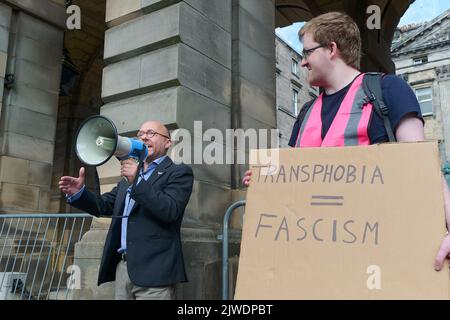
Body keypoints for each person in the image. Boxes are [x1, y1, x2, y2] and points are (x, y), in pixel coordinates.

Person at [242, 11, 450, 272]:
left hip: (381, 257)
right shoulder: (305, 112)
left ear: (331, 49)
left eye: (306, 52)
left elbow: (424, 170)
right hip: (311, 261)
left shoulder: (389, 90)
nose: (303, 62)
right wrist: (265, 183)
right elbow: (292, 183)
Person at [59, 120, 194, 300]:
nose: (144, 136)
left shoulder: (178, 172)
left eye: (151, 133)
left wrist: (136, 181)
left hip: (155, 272)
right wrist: (79, 193)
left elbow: (170, 210)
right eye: (140, 134)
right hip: (123, 269)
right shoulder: (127, 180)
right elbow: (103, 206)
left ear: (167, 142)